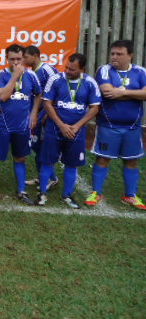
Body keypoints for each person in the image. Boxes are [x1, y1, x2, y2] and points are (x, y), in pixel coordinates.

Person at [87, 40, 146, 210]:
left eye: (119, 54)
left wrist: (121, 92)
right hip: (108, 126)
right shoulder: (105, 70)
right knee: (102, 158)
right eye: (112, 53)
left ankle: (130, 195)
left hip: (132, 127)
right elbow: (107, 92)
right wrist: (135, 94)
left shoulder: (141, 72)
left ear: (130, 55)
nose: (114, 57)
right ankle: (96, 192)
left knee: (132, 161)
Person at [0, 44, 41, 205]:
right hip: (2, 124)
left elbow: (39, 94)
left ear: (24, 59)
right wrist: (15, 77)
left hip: (22, 125)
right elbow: (2, 96)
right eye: (12, 59)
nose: (15, 62)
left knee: (20, 158)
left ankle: (21, 190)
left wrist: (34, 113)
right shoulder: (0, 75)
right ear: (6, 59)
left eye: (19, 59)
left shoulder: (31, 75)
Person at [39, 53, 101, 207]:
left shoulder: (90, 83)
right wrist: (61, 125)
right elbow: (47, 103)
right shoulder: (56, 79)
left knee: (72, 164)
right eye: (66, 67)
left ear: (82, 69)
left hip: (76, 131)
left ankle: (67, 195)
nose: (67, 71)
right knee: (47, 161)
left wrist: (77, 126)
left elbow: (94, 108)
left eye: (72, 69)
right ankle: (42, 194)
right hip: (55, 128)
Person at [24, 45, 59, 189]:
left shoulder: (47, 70)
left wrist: (48, 114)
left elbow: (58, 89)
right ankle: (42, 176)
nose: (23, 60)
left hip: (45, 114)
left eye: (26, 57)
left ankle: (51, 178)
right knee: (36, 145)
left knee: (43, 146)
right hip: (36, 114)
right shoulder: (31, 72)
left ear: (35, 56)